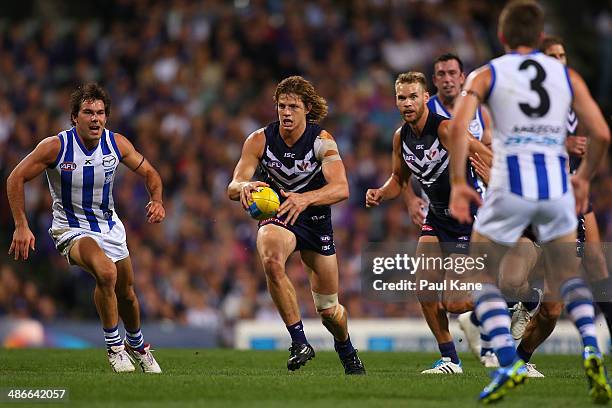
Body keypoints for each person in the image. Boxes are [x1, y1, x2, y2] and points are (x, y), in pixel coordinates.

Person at [448, 1, 611, 403]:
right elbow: (603, 134)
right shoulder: (566, 75)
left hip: (510, 186)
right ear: (540, 38)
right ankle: (592, 348)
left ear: (501, 37)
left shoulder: (488, 73)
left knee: (481, 275)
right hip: (557, 189)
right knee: (570, 278)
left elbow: (455, 127)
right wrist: (585, 178)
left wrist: (456, 183)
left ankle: (507, 360)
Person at [7, 83, 164, 374]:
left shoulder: (116, 144)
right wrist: (21, 224)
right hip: (70, 228)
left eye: (101, 113)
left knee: (127, 292)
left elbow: (150, 172)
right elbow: (15, 178)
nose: (95, 118)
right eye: (88, 112)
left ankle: (138, 345)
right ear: (74, 118)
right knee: (106, 272)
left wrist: (157, 200)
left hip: (109, 225)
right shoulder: (55, 146)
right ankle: (115, 348)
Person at [227, 76, 365, 375]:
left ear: (307, 109)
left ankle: (347, 349)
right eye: (281, 106)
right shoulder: (259, 140)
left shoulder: (322, 141)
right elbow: (233, 185)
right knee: (272, 261)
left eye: (293, 106)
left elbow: (342, 189)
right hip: (279, 214)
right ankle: (299, 341)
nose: (286, 112)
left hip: (315, 220)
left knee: (329, 310)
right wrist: (245, 186)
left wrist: (305, 199)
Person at [365, 71, 492, 374]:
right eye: (401, 97)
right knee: (424, 289)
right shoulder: (401, 137)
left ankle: (507, 301)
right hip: (436, 217)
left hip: (466, 220)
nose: (407, 103)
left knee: (454, 303)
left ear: (426, 98)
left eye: (412, 97)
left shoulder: (446, 129)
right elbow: (399, 179)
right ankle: (450, 359)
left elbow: (485, 153)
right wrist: (381, 194)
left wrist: (494, 177)